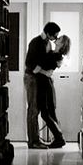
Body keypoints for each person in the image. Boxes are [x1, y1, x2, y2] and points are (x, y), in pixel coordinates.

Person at [24, 21, 60, 149]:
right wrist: (45, 72)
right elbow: (31, 65)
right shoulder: (36, 42)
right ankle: (33, 142)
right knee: (33, 109)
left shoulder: (47, 44)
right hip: (32, 78)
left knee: (37, 109)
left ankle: (35, 140)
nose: (55, 38)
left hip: (38, 78)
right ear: (48, 33)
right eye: (54, 36)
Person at [35, 34, 71, 149]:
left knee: (45, 113)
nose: (57, 39)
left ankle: (59, 138)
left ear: (62, 44)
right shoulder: (53, 54)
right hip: (46, 84)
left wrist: (38, 70)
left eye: (59, 39)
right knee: (50, 113)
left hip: (44, 85)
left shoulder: (56, 55)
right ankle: (58, 138)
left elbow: (40, 69)